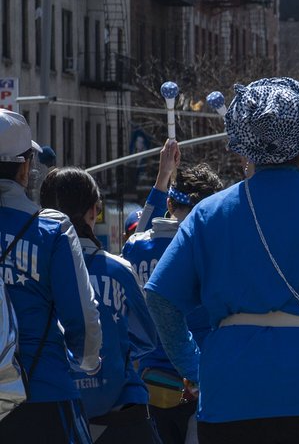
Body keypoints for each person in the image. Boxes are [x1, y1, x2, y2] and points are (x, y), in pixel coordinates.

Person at [144, 77, 299, 444]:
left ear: (243, 145)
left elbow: (161, 298)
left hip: (233, 397)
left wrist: (194, 365)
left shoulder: (208, 215)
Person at [0, 108, 102, 443]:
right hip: (42, 390)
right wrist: (88, 361)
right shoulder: (52, 228)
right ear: (25, 167)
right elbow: (82, 316)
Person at [41, 167, 161, 444]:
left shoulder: (37, 272)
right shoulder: (119, 269)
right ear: (94, 211)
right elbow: (147, 337)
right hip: (123, 411)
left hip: (56, 410)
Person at [122, 140, 224, 444]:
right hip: (201, 382)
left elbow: (141, 230)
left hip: (150, 385)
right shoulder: (208, 248)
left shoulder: (135, 247)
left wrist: (162, 178)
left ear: (170, 204)